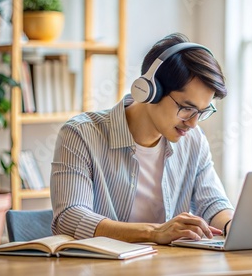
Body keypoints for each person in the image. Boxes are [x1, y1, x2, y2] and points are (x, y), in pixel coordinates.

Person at [50, 33, 234, 244]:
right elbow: (69, 217)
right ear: (149, 90)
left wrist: (232, 225)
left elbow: (213, 203)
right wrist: (153, 233)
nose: (193, 123)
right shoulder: (80, 135)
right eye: (186, 108)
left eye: (202, 111)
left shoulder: (194, 141)